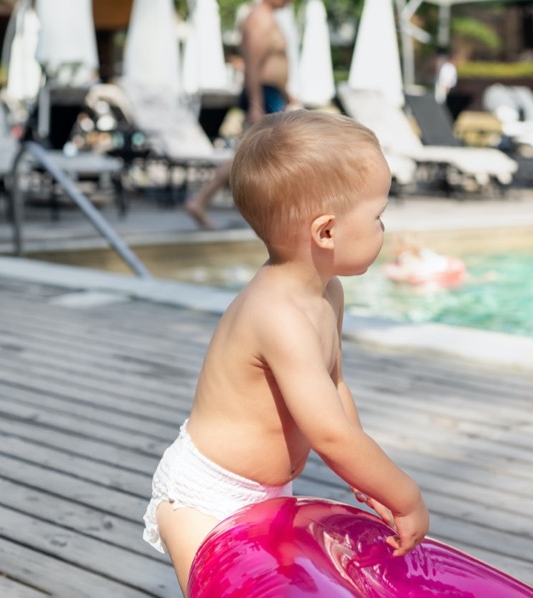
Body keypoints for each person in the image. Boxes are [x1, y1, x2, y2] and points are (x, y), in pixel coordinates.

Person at [144, 110, 429, 595]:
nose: (385, 227)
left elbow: (335, 386)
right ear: (326, 232)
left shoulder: (326, 292)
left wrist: (368, 481)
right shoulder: (278, 315)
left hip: (270, 493)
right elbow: (330, 435)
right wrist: (405, 497)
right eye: (377, 215)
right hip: (206, 496)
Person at [185, 0, 298, 230]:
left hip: (272, 94)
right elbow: (253, 65)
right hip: (263, 95)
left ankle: (203, 202)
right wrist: (256, 104)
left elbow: (271, 64)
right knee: (256, 153)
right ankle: (201, 201)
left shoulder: (267, 17)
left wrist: (287, 94)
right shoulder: (258, 18)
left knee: (262, 153)